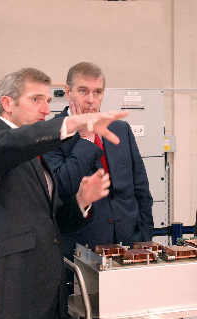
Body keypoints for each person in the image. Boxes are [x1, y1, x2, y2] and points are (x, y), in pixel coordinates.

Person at [0, 67, 129, 319]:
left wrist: (81, 201)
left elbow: (53, 224)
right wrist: (72, 123)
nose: (45, 109)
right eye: (36, 100)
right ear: (7, 103)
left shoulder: (35, 154)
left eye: (48, 101)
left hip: (48, 285)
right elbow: (5, 146)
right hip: (14, 286)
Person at [44, 62, 154, 288]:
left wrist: (144, 238)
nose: (91, 100)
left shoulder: (120, 129)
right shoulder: (52, 134)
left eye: (98, 92)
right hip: (81, 253)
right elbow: (63, 187)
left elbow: (141, 190)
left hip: (130, 249)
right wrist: (86, 138)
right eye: (83, 91)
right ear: (67, 91)